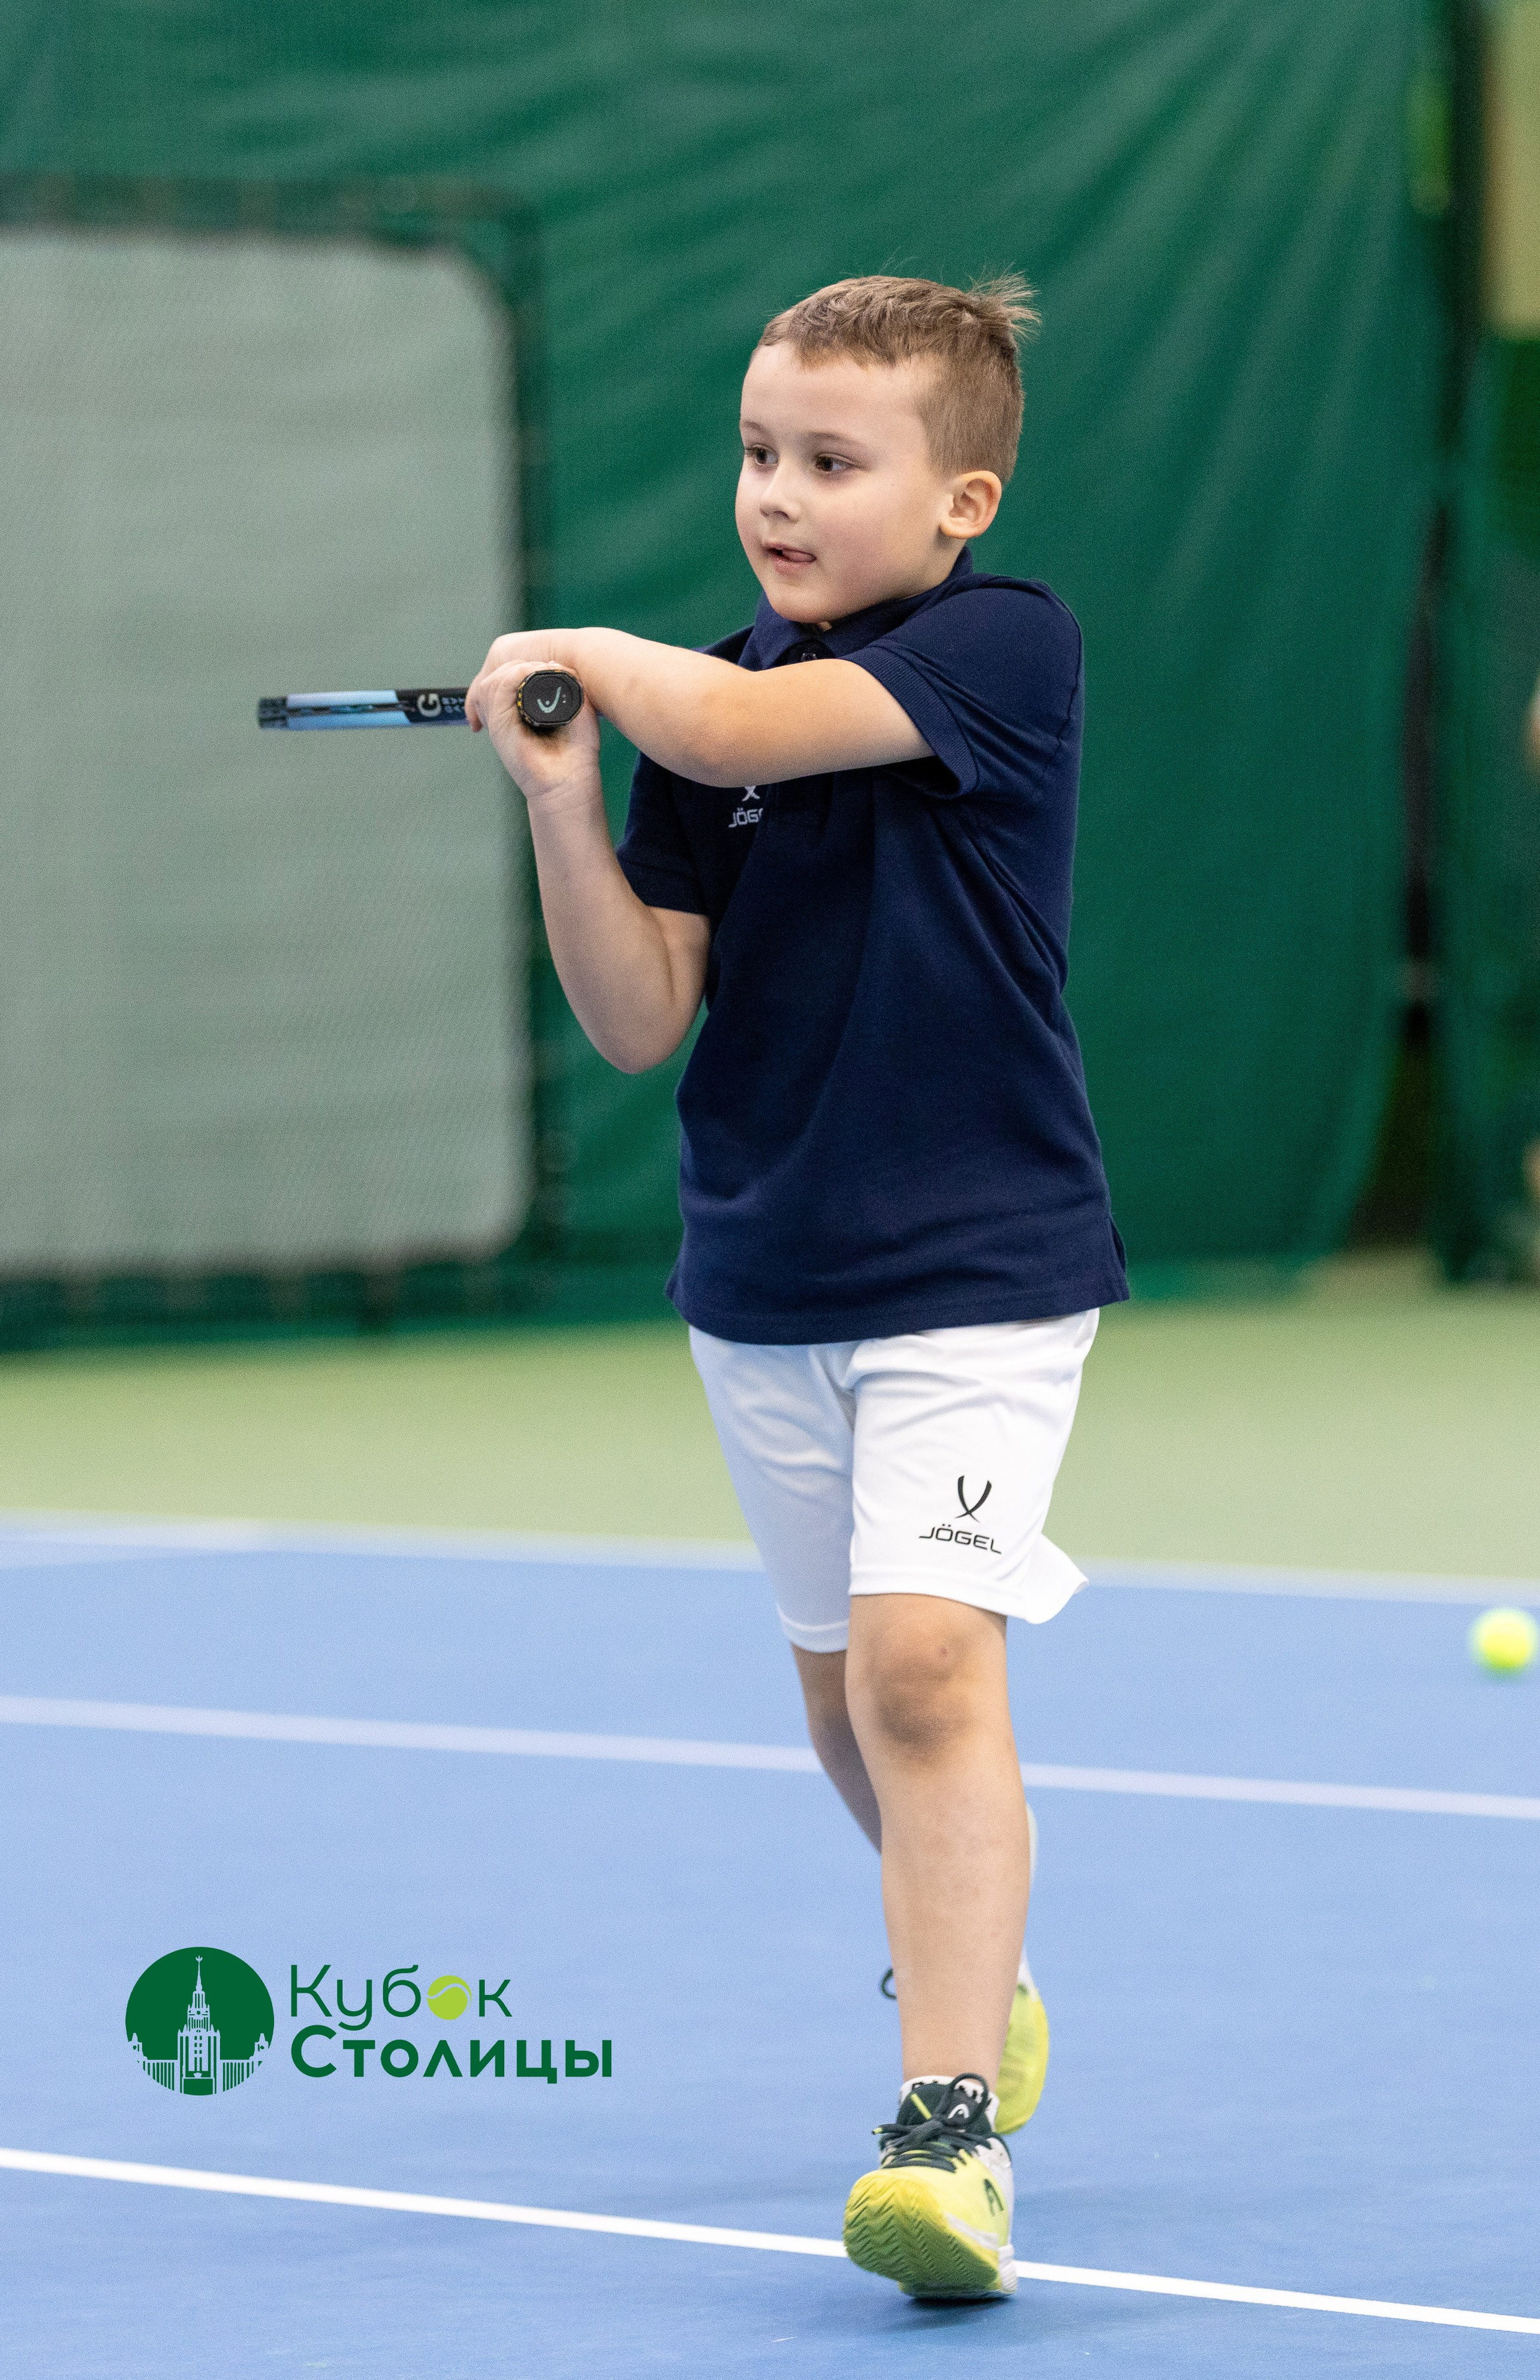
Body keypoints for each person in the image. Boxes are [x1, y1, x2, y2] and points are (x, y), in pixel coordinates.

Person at [466, 273, 1128, 2304]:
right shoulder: (696, 714)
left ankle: (947, 2141)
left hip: (979, 1266)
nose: (779, 493)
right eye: (761, 451)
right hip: (762, 1275)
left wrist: (588, 654)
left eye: (833, 462)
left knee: (932, 1668)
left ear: (959, 503)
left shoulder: (995, 648)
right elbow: (640, 1013)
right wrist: (568, 802)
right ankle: (973, 1968)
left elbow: (747, 719)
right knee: (847, 1704)